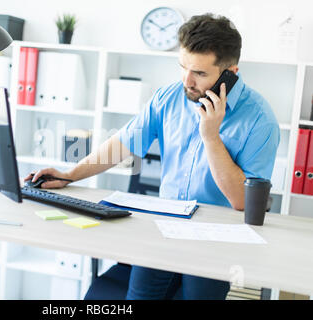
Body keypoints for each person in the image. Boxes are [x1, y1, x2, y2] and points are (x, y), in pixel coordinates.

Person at [24, 13, 280, 299]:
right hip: (164, 229)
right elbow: (122, 144)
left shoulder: (260, 120)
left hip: (216, 241)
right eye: (182, 67)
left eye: (200, 73)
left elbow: (242, 201)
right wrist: (71, 175)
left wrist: (210, 136)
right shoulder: (169, 98)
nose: (187, 80)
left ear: (229, 73)